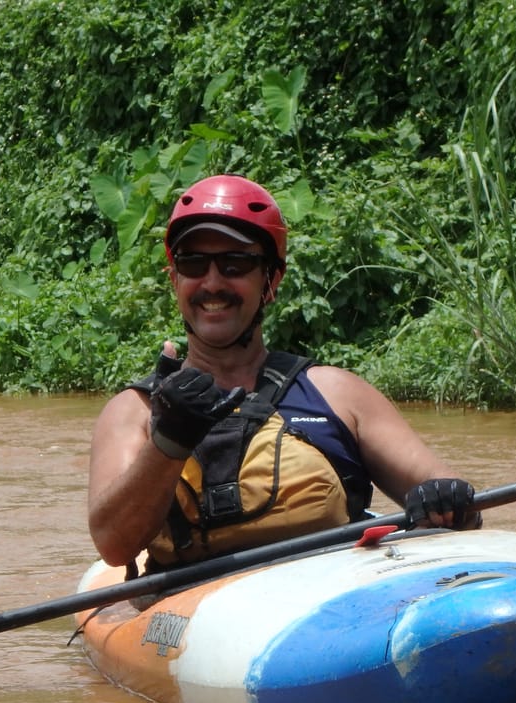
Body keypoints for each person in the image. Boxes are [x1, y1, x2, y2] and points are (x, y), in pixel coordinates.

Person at [87, 174, 481, 573]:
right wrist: (168, 440)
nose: (212, 282)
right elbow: (115, 547)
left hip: (331, 598)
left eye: (235, 263)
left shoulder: (337, 394)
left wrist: (445, 500)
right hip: (190, 611)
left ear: (271, 281)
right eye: (193, 263)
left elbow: (456, 503)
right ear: (175, 280)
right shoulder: (134, 411)